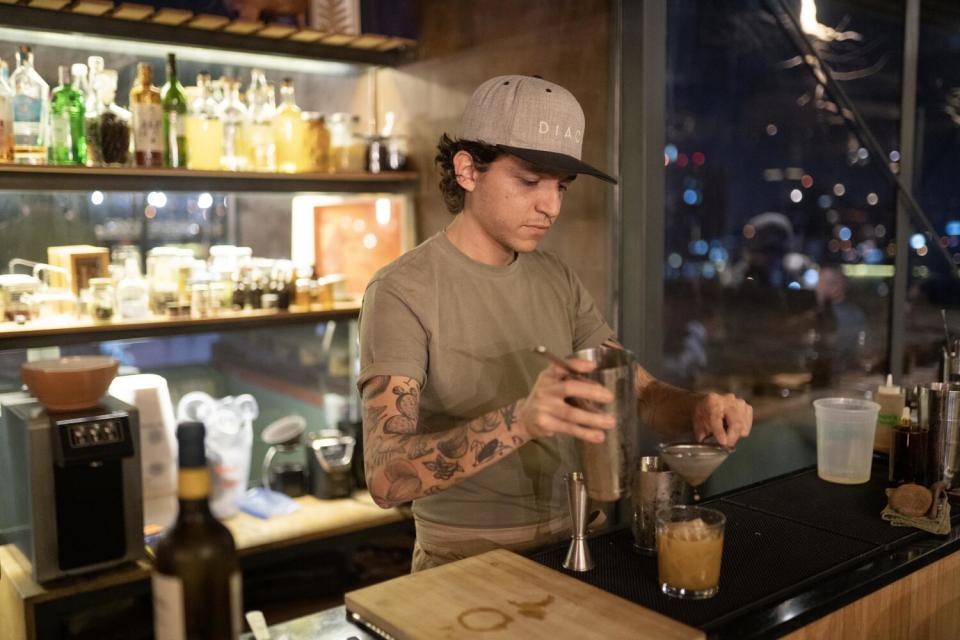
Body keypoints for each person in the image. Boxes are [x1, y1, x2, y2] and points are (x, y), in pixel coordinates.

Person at [357, 75, 753, 572]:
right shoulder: (400, 291)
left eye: (560, 187)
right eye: (529, 182)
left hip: (581, 542)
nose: (551, 206)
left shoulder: (555, 276)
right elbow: (384, 477)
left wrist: (697, 410)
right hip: (467, 560)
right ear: (467, 170)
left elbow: (635, 390)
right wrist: (521, 421)